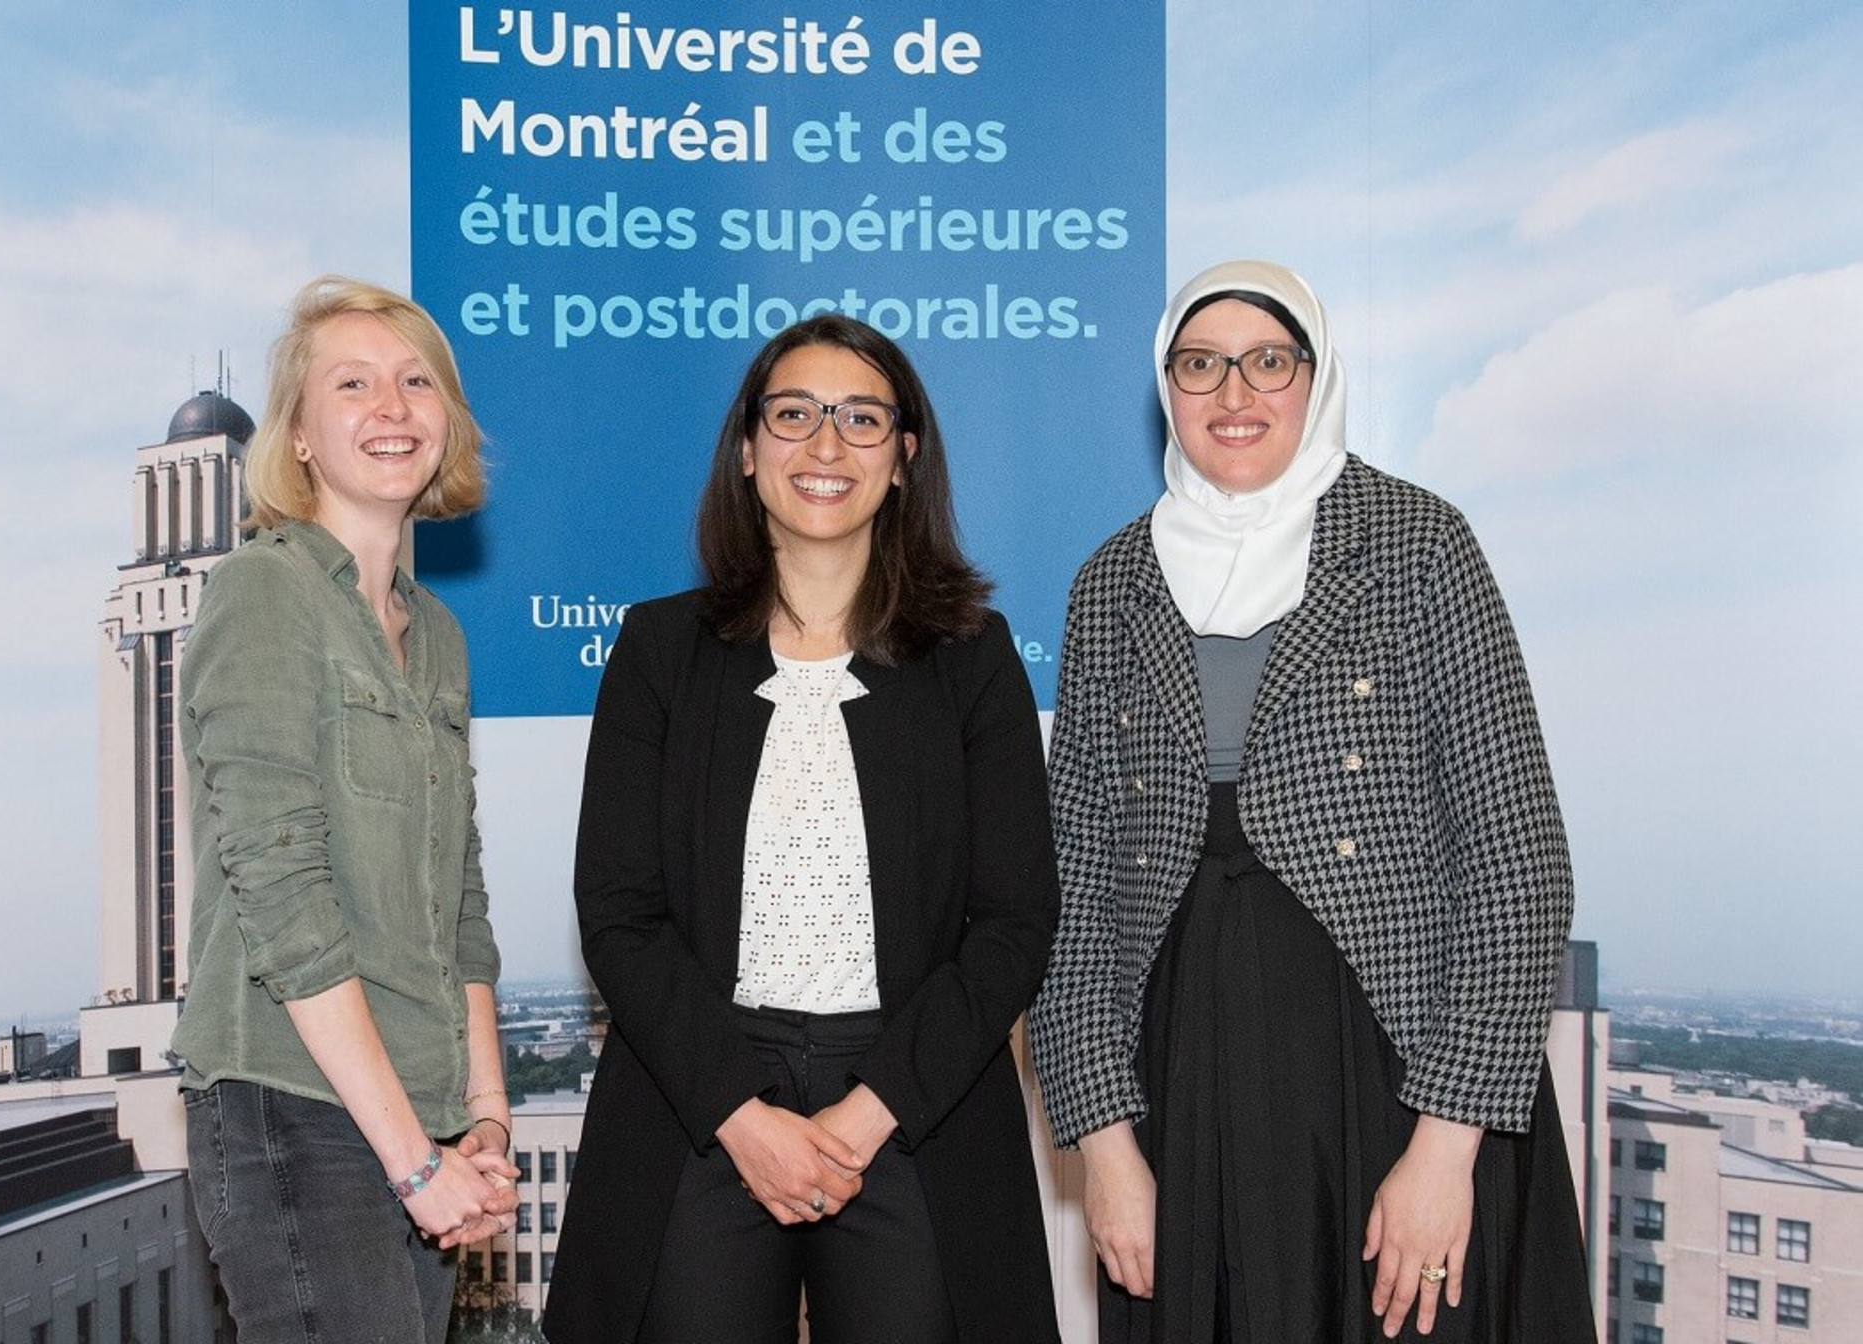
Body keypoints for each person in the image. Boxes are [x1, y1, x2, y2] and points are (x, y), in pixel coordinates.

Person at [1028, 260, 1595, 1343]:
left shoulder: (1418, 544)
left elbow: (1518, 860)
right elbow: (1073, 888)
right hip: (1179, 1078)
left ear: (1316, 374)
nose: (1233, 393)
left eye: (1267, 361)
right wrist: (1103, 1147)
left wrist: (1445, 1147)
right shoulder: (1111, 581)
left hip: (1400, 1069)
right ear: (1166, 387)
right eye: (1200, 365)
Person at [544, 315, 1062, 1344]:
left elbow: (1013, 919)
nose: (826, 445)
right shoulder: (658, 649)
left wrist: (871, 1110)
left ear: (903, 457)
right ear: (747, 450)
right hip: (701, 1100)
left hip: (915, 1101)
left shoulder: (971, 655)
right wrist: (740, 1116)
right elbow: (618, 912)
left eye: (860, 419)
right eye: (793, 415)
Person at [170, 276, 517, 1344]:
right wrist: (412, 1160)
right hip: (290, 1107)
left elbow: (458, 903)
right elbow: (284, 898)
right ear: (298, 435)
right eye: (353, 385)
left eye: (417, 382)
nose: (392, 407)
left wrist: (485, 1121)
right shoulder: (263, 592)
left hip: (417, 1114)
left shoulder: (438, 633)